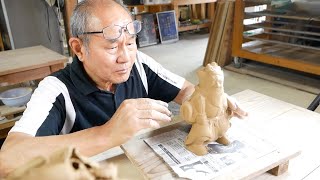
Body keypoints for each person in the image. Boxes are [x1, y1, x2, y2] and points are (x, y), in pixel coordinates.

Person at [0, 0, 247, 177]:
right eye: (111, 48)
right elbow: (8, 160)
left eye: (130, 43)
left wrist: (212, 98)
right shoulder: (55, 89)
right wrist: (107, 133)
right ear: (78, 49)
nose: (125, 57)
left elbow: (186, 91)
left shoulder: (139, 64)